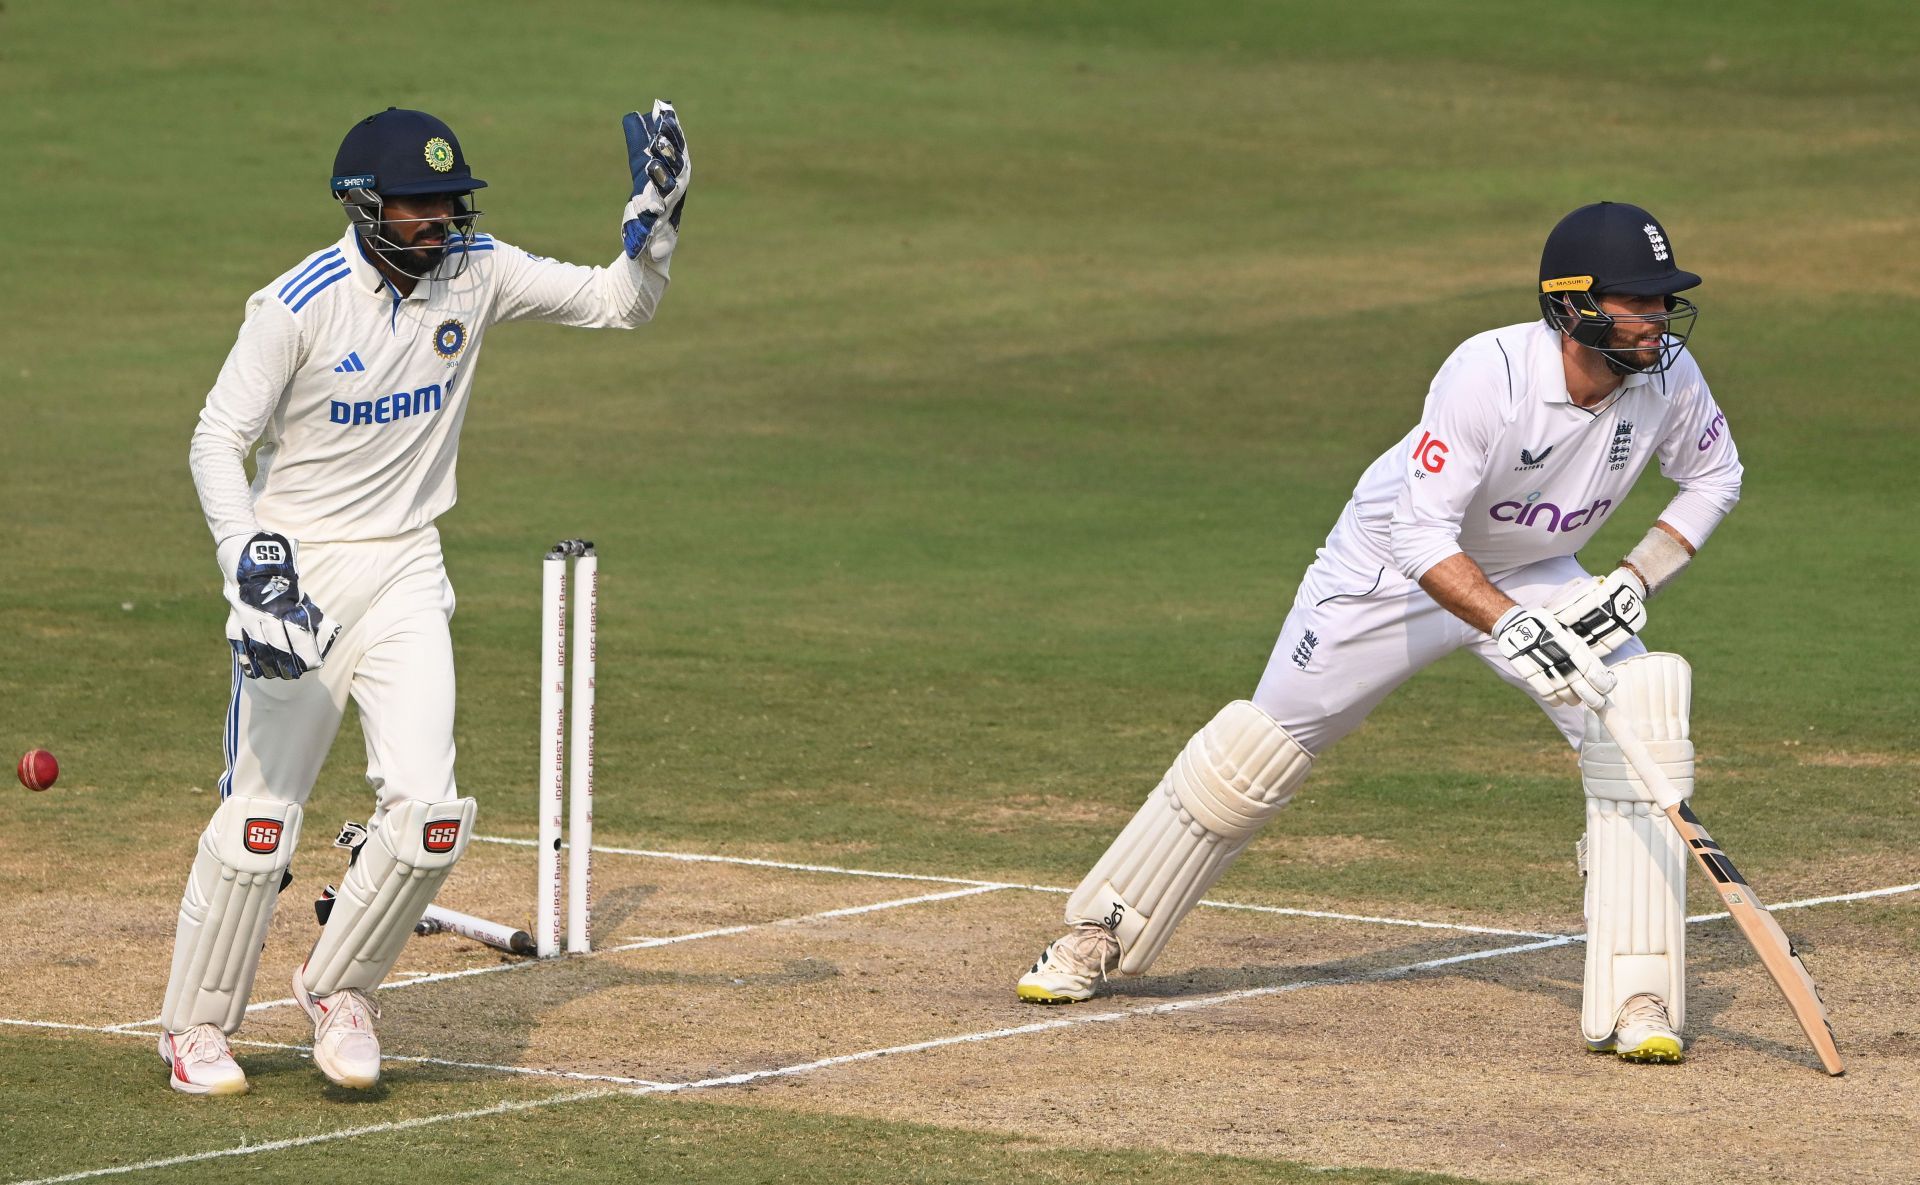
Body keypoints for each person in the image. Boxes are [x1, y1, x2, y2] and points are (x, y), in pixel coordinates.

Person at [1016, 202, 1742, 1066]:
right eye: (1640, 302)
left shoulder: (1669, 375)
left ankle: (1637, 994)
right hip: (1388, 573)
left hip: (1538, 568)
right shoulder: (1490, 374)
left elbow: (1715, 475)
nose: (1659, 320)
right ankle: (1102, 930)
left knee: (1640, 725)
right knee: (1264, 746)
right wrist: (1512, 627)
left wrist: (1630, 581)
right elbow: (1420, 535)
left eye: (1664, 302)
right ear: (1575, 306)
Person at [155, 104, 689, 1095]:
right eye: (419, 206)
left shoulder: (475, 271)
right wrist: (249, 562)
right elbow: (213, 440)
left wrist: (653, 229)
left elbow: (620, 303)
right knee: (262, 819)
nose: (440, 223)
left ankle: (341, 991)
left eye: (451, 204)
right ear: (365, 208)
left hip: (405, 566)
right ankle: (193, 1029)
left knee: (431, 815)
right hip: (301, 576)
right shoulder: (297, 305)